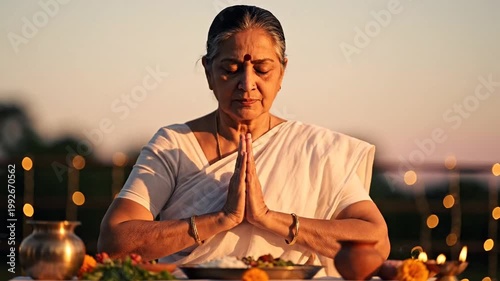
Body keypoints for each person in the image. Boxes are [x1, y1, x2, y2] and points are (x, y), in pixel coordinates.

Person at [98, 5, 390, 277]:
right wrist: (220, 219)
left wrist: (270, 218)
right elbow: (114, 241)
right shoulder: (175, 145)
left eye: (262, 69)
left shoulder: (317, 150)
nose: (247, 83)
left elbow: (376, 244)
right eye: (231, 68)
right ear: (208, 72)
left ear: (282, 72)